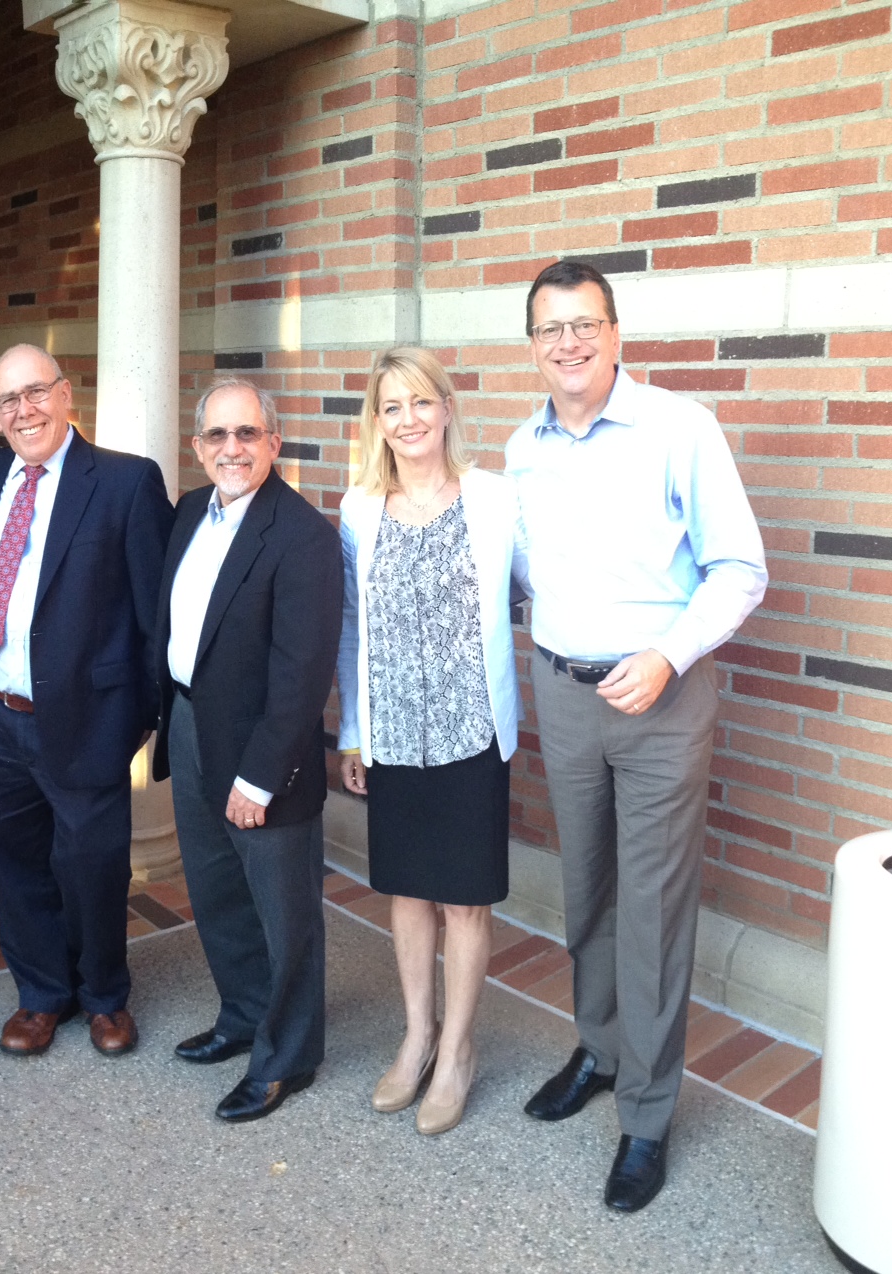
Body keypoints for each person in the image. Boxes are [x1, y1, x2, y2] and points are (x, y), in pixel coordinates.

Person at [508, 260, 766, 1212]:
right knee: (588, 891)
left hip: (660, 695)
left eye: (585, 325)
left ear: (617, 333)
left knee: (652, 909)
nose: (568, 344)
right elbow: (528, 571)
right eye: (550, 330)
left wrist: (665, 652)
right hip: (566, 695)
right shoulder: (522, 447)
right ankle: (600, 1050)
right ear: (532, 346)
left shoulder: (679, 429)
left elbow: (740, 568)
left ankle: (648, 1116)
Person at [334, 347, 528, 1136]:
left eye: (421, 402)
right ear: (375, 424)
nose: (408, 420)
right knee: (407, 892)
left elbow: (533, 590)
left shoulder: (494, 499)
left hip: (470, 731)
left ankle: (458, 1051)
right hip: (393, 736)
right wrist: (352, 732)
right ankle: (416, 1036)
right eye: (392, 407)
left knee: (465, 900)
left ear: (446, 408)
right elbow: (352, 626)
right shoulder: (357, 510)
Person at [0, 343, 173, 1058]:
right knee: (16, 860)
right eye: (8, 400)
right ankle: (42, 994)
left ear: (66, 395)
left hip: (88, 716)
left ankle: (106, 995)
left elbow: (155, 617)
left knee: (94, 862)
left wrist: (136, 720)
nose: (24, 410)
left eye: (36, 393)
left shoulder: (124, 482)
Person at [153, 380, 341, 1122]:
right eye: (217, 437)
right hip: (193, 725)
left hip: (265, 749)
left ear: (273, 441)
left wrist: (260, 779)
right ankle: (242, 1016)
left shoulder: (302, 536)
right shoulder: (189, 513)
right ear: (198, 446)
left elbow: (302, 674)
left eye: (247, 435)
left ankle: (287, 1056)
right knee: (217, 892)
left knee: (284, 911)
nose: (232, 449)